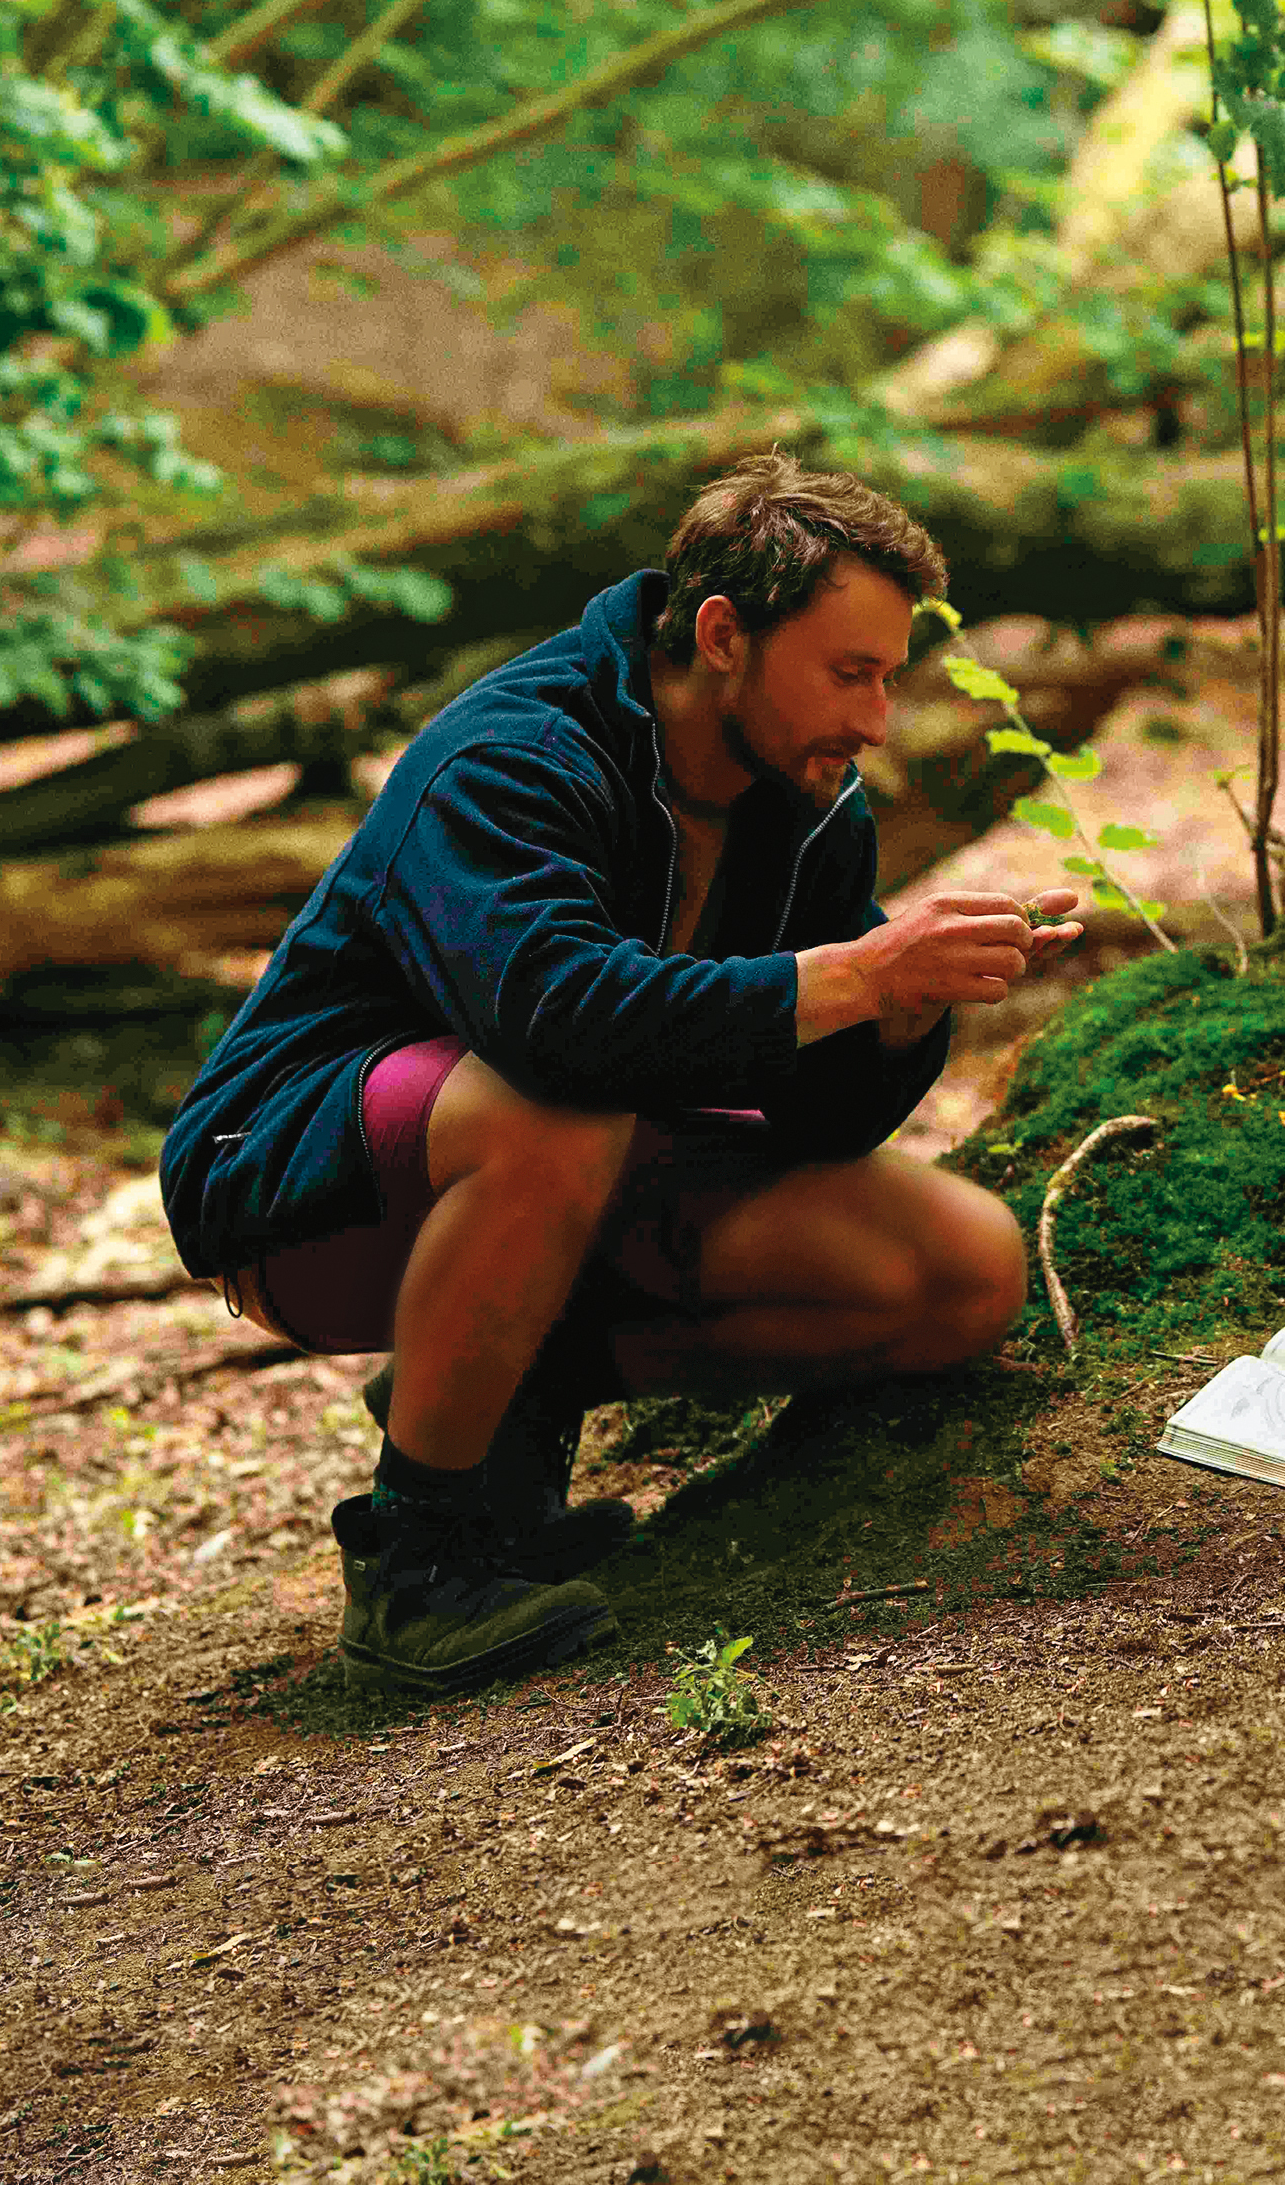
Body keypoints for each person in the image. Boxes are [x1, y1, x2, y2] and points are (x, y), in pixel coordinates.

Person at [160, 450, 1084, 1693]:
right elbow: (556, 1022)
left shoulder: (811, 802)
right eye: (848, 673)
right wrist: (856, 973)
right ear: (723, 635)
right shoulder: (515, 754)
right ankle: (416, 1562)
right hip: (298, 1183)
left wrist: (902, 1009)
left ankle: (505, 1386)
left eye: (888, 677)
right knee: (560, 1106)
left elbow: (820, 1120)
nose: (875, 720)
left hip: (575, 1168)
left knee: (961, 1270)